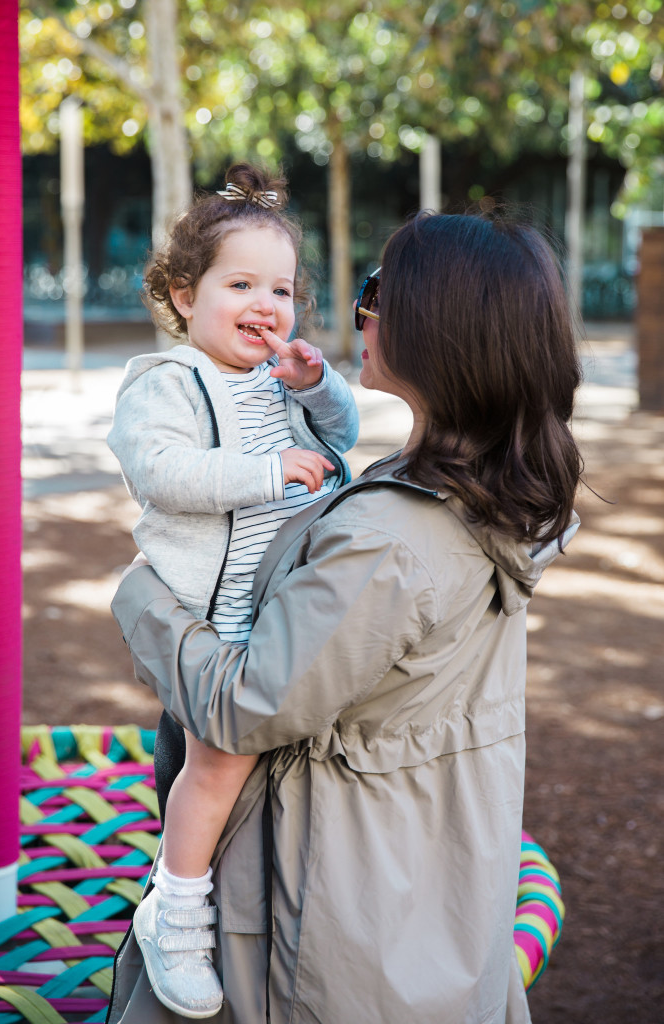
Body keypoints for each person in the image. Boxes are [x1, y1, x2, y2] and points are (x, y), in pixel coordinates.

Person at [107, 209, 583, 1024]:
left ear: (437, 326)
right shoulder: (487, 491)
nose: (360, 313)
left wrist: (140, 591)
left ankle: (173, 910)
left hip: (318, 918)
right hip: (424, 880)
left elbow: (242, 705)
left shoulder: (390, 539)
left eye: (376, 292)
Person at [107, 163, 359, 1019]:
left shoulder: (275, 380)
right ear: (184, 295)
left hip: (275, 614)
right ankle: (173, 909)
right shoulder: (166, 382)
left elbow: (345, 433)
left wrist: (318, 389)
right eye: (240, 283)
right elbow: (162, 472)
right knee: (215, 763)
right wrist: (263, 470)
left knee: (248, 774)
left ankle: (229, 901)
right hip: (213, 626)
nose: (266, 304)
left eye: (281, 288)